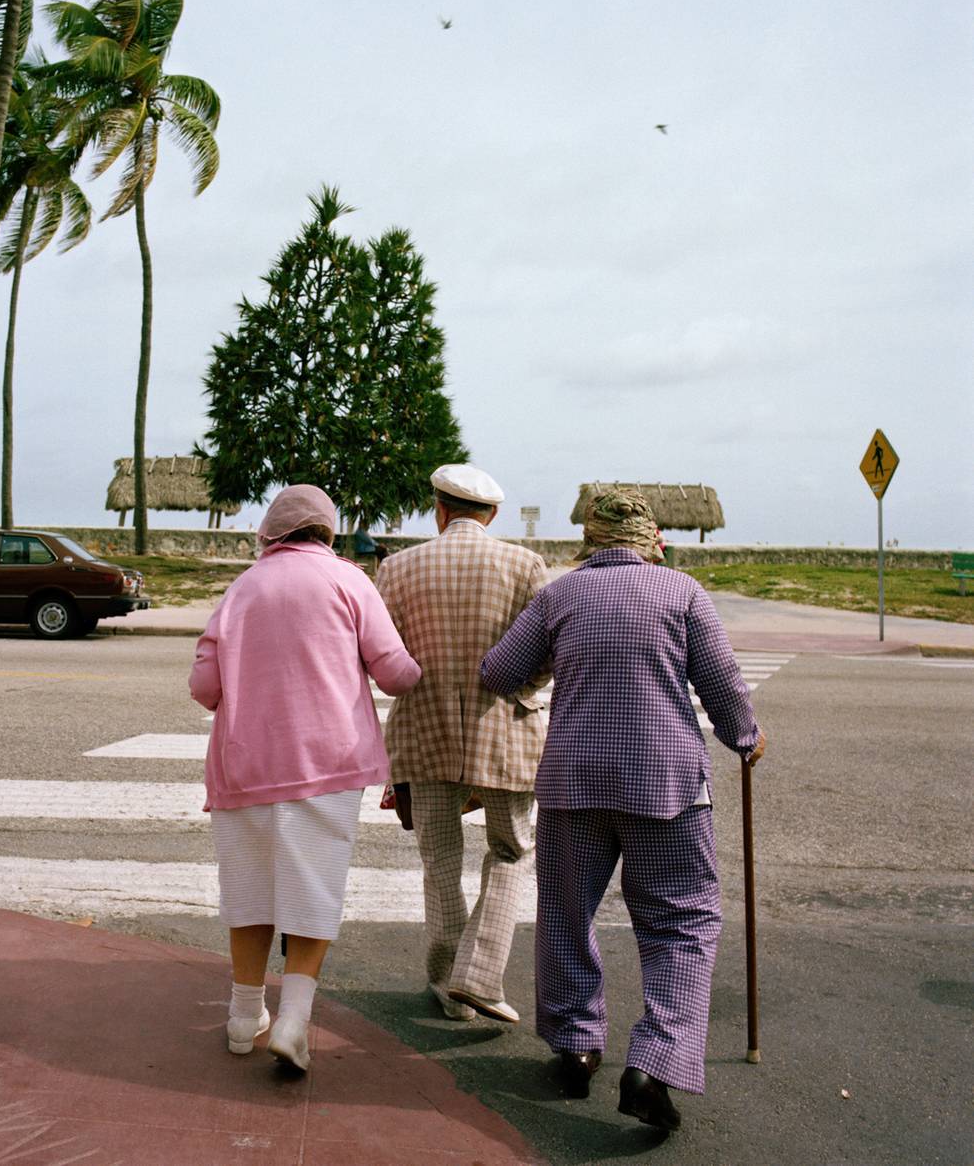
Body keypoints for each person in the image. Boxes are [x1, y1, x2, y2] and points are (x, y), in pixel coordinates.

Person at [480, 489, 765, 1131]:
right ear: (650, 540)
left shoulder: (558, 595)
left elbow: (499, 672)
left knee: (566, 912)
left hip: (573, 784)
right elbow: (723, 686)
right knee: (681, 920)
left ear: (592, 539)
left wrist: (553, 667)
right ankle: (655, 1062)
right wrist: (747, 737)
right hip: (665, 786)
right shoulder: (684, 594)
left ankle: (577, 1044)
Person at [189, 484, 420, 1072]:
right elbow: (393, 674)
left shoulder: (241, 588)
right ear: (328, 530)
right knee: (312, 886)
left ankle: (244, 1016)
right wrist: (424, 667)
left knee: (249, 890)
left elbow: (204, 689)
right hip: (329, 764)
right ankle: (293, 1019)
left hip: (246, 765)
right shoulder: (349, 581)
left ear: (270, 533)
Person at [374, 463, 550, 1024]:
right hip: (504, 727)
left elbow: (383, 656)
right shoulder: (525, 566)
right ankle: (479, 974)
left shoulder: (397, 568)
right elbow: (548, 652)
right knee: (512, 850)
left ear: (439, 510)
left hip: (422, 728)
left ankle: (450, 986)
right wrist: (523, 686)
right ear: (492, 514)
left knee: (439, 858)